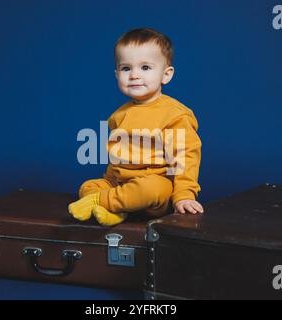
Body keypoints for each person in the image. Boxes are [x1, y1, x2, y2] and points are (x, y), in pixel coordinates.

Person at [68, 28, 203, 226]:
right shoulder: (118, 115)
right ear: (116, 74)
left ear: (166, 74)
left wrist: (184, 194)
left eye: (145, 68)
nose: (134, 75)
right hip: (122, 184)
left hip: (157, 185)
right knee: (88, 186)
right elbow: (118, 159)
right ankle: (116, 211)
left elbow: (186, 157)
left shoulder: (174, 114)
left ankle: (102, 201)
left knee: (151, 188)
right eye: (126, 68)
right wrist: (109, 183)